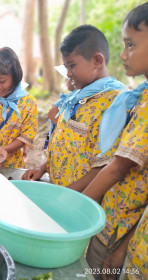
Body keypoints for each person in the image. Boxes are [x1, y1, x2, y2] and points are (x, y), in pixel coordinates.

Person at [81, 3, 148, 279]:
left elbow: (118, 168)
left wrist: (72, 210)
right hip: (118, 228)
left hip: (119, 229)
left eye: (130, 45)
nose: (122, 55)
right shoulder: (140, 99)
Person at [21, 25, 126, 190]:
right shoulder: (75, 98)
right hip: (60, 191)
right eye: (65, 67)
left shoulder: (115, 103)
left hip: (80, 200)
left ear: (97, 61)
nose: (68, 74)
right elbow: (62, 143)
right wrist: (42, 169)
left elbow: (104, 165)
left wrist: (69, 196)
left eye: (72, 65)